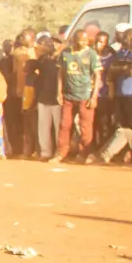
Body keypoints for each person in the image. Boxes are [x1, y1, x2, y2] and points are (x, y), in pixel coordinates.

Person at [54, 29, 100, 163]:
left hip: (85, 95)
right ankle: (61, 152)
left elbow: (97, 76)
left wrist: (94, 97)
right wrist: (59, 92)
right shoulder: (65, 53)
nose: (85, 43)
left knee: (85, 126)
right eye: (82, 40)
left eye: (86, 40)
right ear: (74, 39)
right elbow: (60, 74)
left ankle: (84, 153)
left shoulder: (91, 54)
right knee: (64, 125)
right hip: (68, 95)